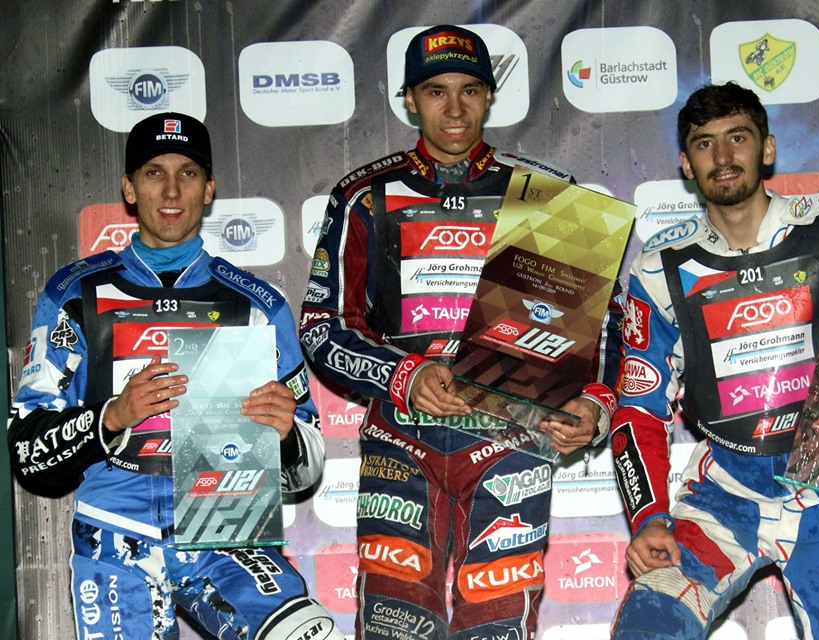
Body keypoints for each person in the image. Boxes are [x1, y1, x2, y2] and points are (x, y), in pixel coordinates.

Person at [299, 24, 622, 640]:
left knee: (498, 626)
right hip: (403, 442)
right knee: (395, 626)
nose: (454, 109)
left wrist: (595, 403)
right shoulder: (364, 196)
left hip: (513, 440)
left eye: (469, 90)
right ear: (409, 100)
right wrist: (405, 374)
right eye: (435, 91)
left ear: (490, 97)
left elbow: (601, 327)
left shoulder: (548, 196)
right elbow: (322, 328)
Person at [609, 82, 819, 639]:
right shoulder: (659, 267)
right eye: (705, 144)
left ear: (767, 148)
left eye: (738, 138)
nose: (723, 157)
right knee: (648, 625)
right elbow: (638, 408)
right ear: (686, 164)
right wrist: (649, 517)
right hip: (725, 496)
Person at [7, 112, 344, 640]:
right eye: (153, 172)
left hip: (226, 533)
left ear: (209, 188)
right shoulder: (74, 294)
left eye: (187, 173)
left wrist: (286, 438)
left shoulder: (257, 305)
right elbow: (28, 451)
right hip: (116, 536)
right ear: (128, 187)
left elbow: (309, 467)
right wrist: (112, 416)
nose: (170, 190)